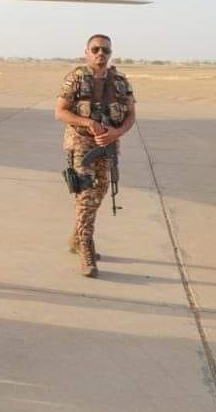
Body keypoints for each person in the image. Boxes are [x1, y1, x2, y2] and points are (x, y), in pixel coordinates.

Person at [54, 34, 136, 277]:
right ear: (87, 52)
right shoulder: (75, 78)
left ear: (110, 53)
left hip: (108, 145)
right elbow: (60, 112)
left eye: (105, 50)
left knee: (99, 193)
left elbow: (131, 115)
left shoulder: (120, 81)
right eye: (96, 49)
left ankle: (76, 237)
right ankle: (86, 248)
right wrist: (88, 123)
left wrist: (117, 132)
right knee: (86, 195)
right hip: (81, 144)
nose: (101, 53)